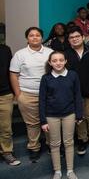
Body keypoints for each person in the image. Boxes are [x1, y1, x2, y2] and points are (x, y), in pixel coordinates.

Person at [10, 27, 53, 162]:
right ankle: (34, 147)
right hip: (28, 95)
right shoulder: (20, 54)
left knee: (50, 121)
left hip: (48, 95)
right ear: (27, 38)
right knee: (32, 124)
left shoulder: (50, 52)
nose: (35, 37)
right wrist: (18, 95)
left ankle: (52, 146)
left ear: (42, 37)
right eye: (31, 35)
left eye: (38, 35)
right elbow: (13, 74)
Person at [39, 51, 83, 179]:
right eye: (54, 60)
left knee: (69, 143)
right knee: (55, 144)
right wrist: (43, 120)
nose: (58, 63)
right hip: (51, 116)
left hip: (69, 114)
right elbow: (42, 100)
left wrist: (79, 114)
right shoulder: (46, 78)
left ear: (65, 61)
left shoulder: (72, 75)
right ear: (50, 63)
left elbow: (77, 95)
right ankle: (57, 171)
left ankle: (70, 170)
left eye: (60, 60)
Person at [65, 27, 89, 156]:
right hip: (73, 93)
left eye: (77, 36)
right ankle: (82, 139)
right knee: (79, 117)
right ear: (69, 40)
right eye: (72, 37)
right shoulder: (65, 54)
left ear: (83, 37)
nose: (74, 39)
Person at [0, 44, 21, 166]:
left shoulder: (5, 49)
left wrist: (14, 92)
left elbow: (11, 71)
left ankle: (7, 151)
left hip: (4, 94)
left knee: (5, 127)